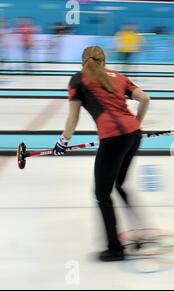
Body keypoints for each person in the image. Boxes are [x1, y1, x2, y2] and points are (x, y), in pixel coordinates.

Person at [52, 46, 150, 261]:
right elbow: (145, 99)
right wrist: (136, 124)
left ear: (82, 61)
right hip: (134, 136)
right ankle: (140, 234)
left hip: (113, 138)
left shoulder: (78, 79)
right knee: (120, 185)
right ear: (104, 61)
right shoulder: (119, 76)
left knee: (102, 194)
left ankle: (115, 248)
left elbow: (73, 118)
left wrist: (62, 142)